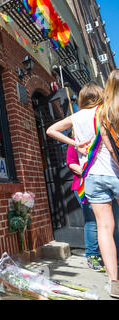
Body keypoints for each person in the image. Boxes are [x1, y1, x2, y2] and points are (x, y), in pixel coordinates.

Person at [46, 82, 119, 298]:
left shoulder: (76, 118)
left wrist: (74, 143)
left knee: (104, 227)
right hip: (114, 172)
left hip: (92, 178)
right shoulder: (105, 111)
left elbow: (51, 130)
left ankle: (114, 282)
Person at [67, 142, 105, 272]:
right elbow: (71, 163)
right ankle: (92, 255)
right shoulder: (74, 141)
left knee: (111, 219)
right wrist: (91, 173)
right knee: (92, 220)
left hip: (105, 184)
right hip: (83, 184)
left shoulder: (102, 138)